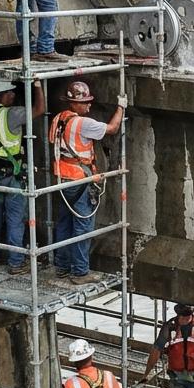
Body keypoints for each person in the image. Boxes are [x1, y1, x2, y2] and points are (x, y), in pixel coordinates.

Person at [48, 80, 125, 284]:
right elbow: (112, 128)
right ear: (75, 103)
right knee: (83, 227)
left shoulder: (58, 118)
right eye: (86, 102)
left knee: (64, 224)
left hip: (62, 179)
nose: (89, 106)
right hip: (79, 179)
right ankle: (80, 272)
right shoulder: (83, 123)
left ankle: (62, 266)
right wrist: (121, 107)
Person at [0, 77, 45, 274]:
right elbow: (39, 110)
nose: (14, 95)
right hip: (11, 173)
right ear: (2, 94)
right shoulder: (12, 114)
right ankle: (15, 263)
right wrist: (38, 86)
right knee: (15, 218)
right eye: (11, 92)